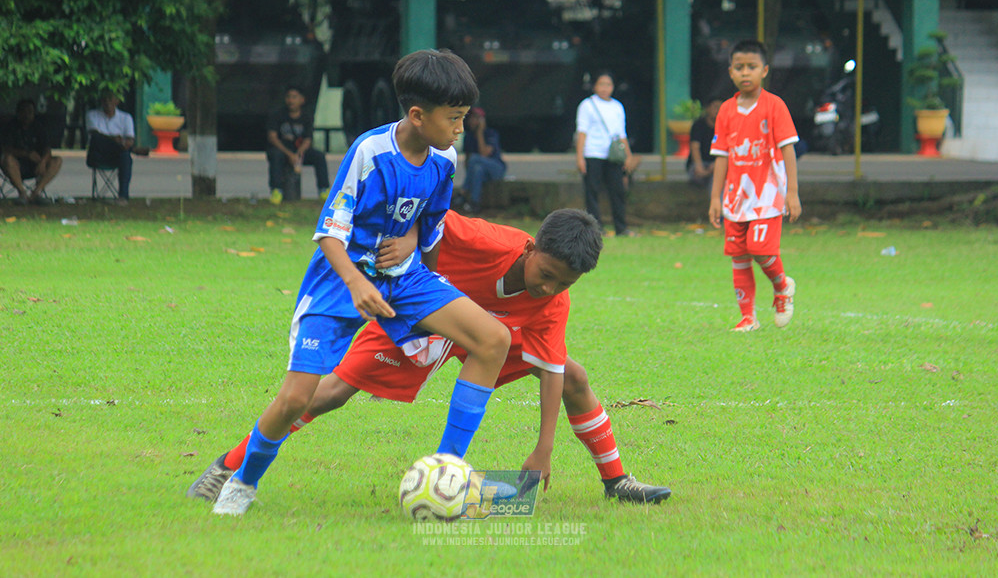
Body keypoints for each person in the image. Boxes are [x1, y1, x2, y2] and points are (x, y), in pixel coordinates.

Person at [188, 209, 671, 505]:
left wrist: (543, 449)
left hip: (490, 338)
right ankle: (229, 465)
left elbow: (550, 367)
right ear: (531, 247)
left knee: (575, 377)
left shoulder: (551, 301)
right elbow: (431, 218)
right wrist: (414, 244)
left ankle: (616, 482)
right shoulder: (486, 240)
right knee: (331, 392)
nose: (550, 287)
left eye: (565, 283)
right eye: (547, 273)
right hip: (424, 311)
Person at [209, 49, 512, 516]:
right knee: (297, 398)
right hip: (340, 280)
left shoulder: (445, 158)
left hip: (404, 279)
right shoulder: (370, 152)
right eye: (453, 118)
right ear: (417, 115)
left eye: (463, 117)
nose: (459, 128)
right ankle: (242, 482)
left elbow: (430, 223)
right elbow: (330, 231)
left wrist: (414, 249)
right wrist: (356, 283)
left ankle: (447, 470)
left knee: (493, 339)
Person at [708, 40, 801, 332]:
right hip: (736, 198)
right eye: (739, 67)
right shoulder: (725, 110)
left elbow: (788, 149)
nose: (745, 72)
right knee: (739, 255)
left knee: (761, 248)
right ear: (731, 72)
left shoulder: (775, 106)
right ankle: (748, 317)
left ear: (764, 71)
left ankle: (782, 285)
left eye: (752, 66)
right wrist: (715, 198)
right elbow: (722, 157)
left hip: (768, 195)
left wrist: (793, 193)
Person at [575, 71, 637, 237]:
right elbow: (582, 132)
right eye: (601, 84)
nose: (604, 88)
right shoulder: (587, 105)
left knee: (617, 190)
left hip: (612, 154)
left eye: (608, 84)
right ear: (595, 86)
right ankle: (596, 228)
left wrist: (628, 155)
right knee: (592, 191)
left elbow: (621, 134)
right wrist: (580, 156)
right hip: (593, 152)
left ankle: (621, 227)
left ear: (613, 87)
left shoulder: (617, 106)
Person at [266, 85, 330, 205]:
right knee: (275, 156)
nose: (291, 100)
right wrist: (290, 154)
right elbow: (272, 137)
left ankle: (324, 190)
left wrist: (299, 153)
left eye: (294, 97)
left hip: (299, 151)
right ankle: (276, 190)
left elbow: (308, 139)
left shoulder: (306, 117)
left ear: (302, 100)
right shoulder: (277, 115)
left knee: (319, 156)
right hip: (283, 150)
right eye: (289, 97)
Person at [85, 92, 146, 203]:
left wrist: (124, 144)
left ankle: (123, 196)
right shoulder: (92, 115)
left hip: (117, 156)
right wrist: (114, 140)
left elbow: (129, 139)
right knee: (97, 138)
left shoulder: (125, 118)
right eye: (105, 100)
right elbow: (94, 134)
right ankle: (134, 150)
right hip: (98, 154)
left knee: (126, 156)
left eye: (110, 100)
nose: (108, 103)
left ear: (117, 101)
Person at [1, 99, 62, 204]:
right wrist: (26, 154)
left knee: (57, 161)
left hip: (36, 166)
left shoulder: (39, 127)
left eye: (30, 112)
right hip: (17, 166)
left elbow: (47, 149)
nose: (27, 115)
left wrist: (43, 162)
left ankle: (36, 193)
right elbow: (6, 149)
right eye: (24, 112)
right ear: (18, 113)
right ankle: (22, 193)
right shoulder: (11, 127)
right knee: (7, 159)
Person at [460, 107, 506, 213]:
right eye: (471, 118)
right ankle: (474, 203)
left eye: (476, 118)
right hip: (481, 170)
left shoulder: (491, 134)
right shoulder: (468, 137)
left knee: (475, 158)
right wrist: (470, 175)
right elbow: (467, 161)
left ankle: (463, 191)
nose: (472, 121)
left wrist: (480, 132)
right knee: (477, 170)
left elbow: (484, 153)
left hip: (496, 168)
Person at [686, 98, 722, 189]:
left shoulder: (724, 126)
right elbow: (695, 146)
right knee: (697, 174)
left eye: (721, 107)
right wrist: (699, 166)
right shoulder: (699, 125)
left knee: (718, 177)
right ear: (707, 108)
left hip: (716, 164)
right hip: (700, 163)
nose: (718, 110)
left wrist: (716, 164)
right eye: (715, 107)